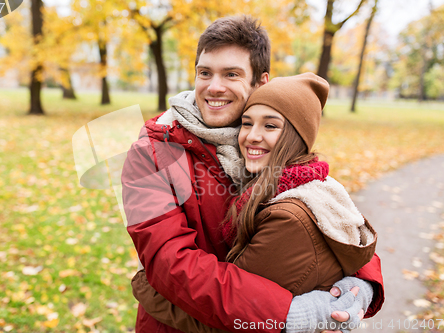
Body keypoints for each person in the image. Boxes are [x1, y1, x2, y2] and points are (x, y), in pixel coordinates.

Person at [121, 16, 384, 333]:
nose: (214, 86)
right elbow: (169, 261)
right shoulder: (152, 152)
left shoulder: (270, 137)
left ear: (261, 82)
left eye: (231, 74)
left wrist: (361, 286)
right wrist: (287, 313)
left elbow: (327, 216)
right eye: (205, 73)